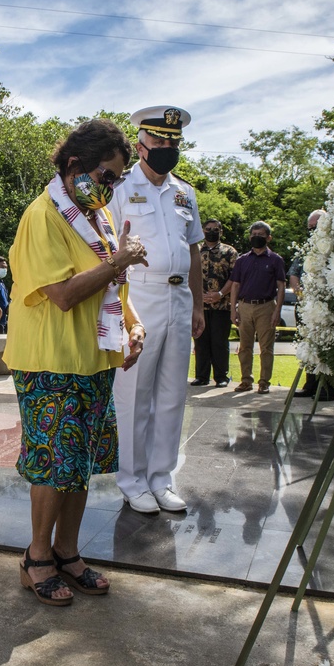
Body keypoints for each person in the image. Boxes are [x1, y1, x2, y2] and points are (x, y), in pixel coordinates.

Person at [4, 119, 147, 605]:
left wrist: (133, 322)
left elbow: (109, 284)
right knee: (52, 463)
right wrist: (120, 262)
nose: (111, 188)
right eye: (106, 176)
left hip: (93, 360)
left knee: (79, 461)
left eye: (117, 180)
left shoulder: (96, 216)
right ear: (74, 166)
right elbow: (63, 295)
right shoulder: (43, 215)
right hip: (51, 359)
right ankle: (37, 556)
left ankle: (66, 552)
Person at [109, 106, 205, 515]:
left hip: (180, 299)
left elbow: (194, 250)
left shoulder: (185, 192)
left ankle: (162, 478)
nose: (167, 148)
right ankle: (132, 480)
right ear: (140, 146)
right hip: (139, 296)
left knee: (171, 393)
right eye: (159, 141)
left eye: (173, 142)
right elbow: (104, 249)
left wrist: (199, 303)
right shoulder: (117, 189)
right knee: (134, 393)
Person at [229, 221, 286, 394]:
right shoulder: (242, 260)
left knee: (266, 348)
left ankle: (264, 382)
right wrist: (233, 309)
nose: (256, 238)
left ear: (268, 238)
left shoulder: (276, 260)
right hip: (245, 305)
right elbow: (235, 286)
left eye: (260, 235)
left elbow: (281, 286)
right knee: (245, 347)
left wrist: (277, 310)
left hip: (266, 306)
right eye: (254, 235)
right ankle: (246, 380)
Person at [290, 210, 334, 401]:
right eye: (310, 228)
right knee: (307, 347)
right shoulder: (306, 248)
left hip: (327, 308)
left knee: (327, 346)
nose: (312, 231)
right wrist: (300, 293)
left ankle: (329, 388)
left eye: (316, 226)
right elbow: (294, 273)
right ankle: (310, 385)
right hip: (307, 307)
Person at [192, 218, 238, 388]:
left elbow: (235, 278)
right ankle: (201, 376)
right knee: (200, 341)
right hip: (200, 305)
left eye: (215, 229)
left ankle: (221, 377)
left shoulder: (229, 251)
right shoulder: (195, 250)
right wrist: (199, 296)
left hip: (222, 305)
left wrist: (219, 294)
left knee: (219, 342)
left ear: (221, 231)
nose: (212, 231)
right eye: (208, 228)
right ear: (202, 231)